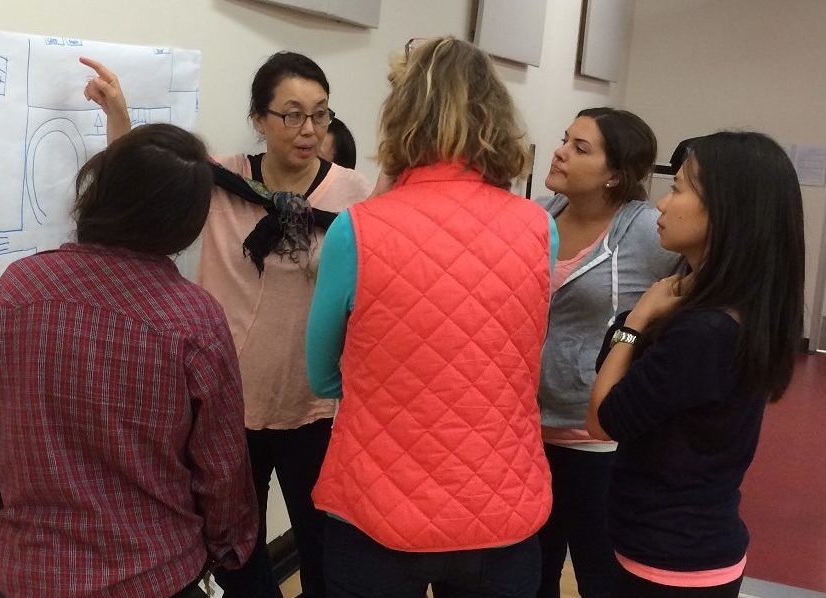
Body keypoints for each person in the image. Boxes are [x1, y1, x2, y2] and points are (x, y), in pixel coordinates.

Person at [82, 52, 371, 598]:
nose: (307, 130)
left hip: (313, 406)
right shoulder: (219, 178)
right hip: (224, 407)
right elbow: (145, 180)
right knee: (237, 550)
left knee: (324, 548)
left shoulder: (355, 195)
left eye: (320, 115)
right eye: (291, 114)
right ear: (259, 119)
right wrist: (117, 114)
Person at [0, 123, 258, 597]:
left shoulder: (16, 290)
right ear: (185, 221)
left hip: (32, 574)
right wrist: (228, 546)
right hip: (157, 573)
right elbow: (221, 466)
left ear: (101, 191)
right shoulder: (195, 320)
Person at [306, 36, 558, 598]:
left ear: (400, 117)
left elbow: (321, 373)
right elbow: (522, 352)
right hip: (502, 508)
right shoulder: (540, 227)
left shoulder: (358, 228)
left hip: (378, 507)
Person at [587, 131, 805, 598]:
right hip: (684, 546)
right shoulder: (736, 312)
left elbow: (603, 419)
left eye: (679, 189)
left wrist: (635, 321)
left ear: (726, 212)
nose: (661, 206)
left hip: (668, 561)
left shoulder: (704, 332)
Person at [535, 107, 679, 598]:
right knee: (534, 573)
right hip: (525, 432)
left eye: (581, 148)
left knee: (600, 575)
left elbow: (695, 289)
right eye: (565, 139)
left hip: (598, 441)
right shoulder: (536, 216)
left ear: (615, 174)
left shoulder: (645, 231)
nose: (560, 152)